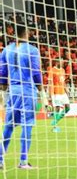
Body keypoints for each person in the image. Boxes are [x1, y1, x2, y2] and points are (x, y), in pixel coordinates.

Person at [0, 25, 47, 169]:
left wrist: (3, 92)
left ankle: (0, 159)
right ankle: (23, 161)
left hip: (12, 91)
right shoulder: (32, 50)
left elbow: (2, 72)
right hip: (27, 90)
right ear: (26, 33)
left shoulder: (6, 50)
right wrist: (42, 92)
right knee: (27, 125)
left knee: (9, 125)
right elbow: (36, 73)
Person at [49, 59, 71, 132]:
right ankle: (55, 127)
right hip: (56, 93)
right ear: (57, 62)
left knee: (68, 108)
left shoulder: (63, 70)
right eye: (61, 62)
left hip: (63, 93)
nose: (62, 63)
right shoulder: (52, 70)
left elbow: (63, 81)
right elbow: (50, 83)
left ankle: (56, 120)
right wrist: (51, 94)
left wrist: (66, 89)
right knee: (57, 108)